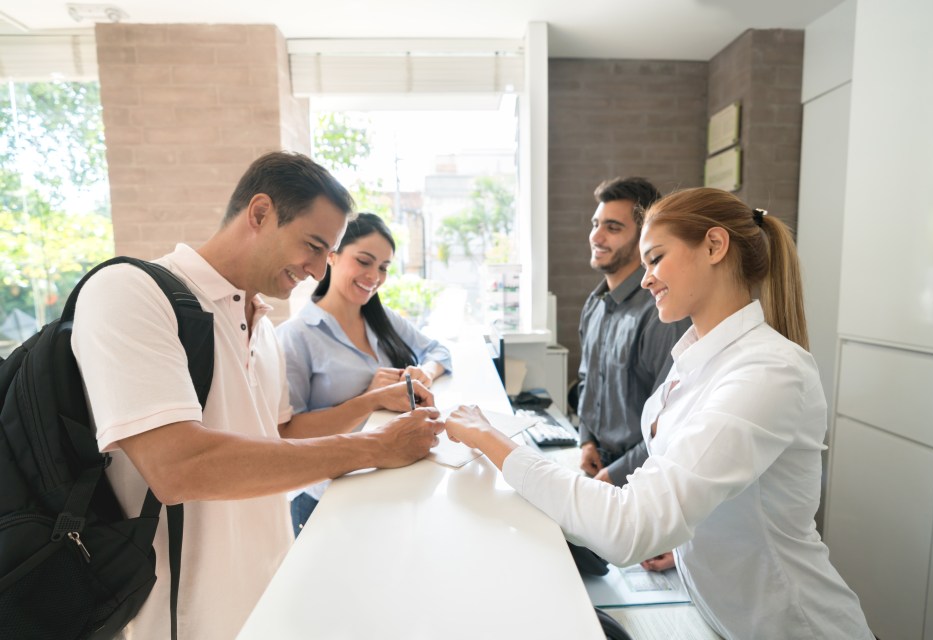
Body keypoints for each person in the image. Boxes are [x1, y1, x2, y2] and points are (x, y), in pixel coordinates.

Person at [445, 188, 874, 640]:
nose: (646, 278)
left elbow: (630, 526)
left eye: (656, 259)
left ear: (714, 246)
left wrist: (490, 439)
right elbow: (701, 479)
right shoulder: (695, 358)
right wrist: (692, 540)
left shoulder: (769, 371)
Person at [71, 151, 445, 640]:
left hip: (268, 600)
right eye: (312, 246)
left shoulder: (264, 327)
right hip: (176, 619)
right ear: (261, 212)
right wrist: (376, 448)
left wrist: (372, 408)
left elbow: (281, 436)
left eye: (326, 253)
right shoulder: (131, 291)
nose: (316, 271)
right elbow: (177, 468)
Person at [277, 212, 452, 535]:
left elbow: (440, 352)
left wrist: (423, 372)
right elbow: (289, 434)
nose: (374, 276)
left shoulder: (380, 318)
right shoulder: (297, 336)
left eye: (383, 267)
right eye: (364, 261)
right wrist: (370, 399)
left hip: (386, 481)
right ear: (332, 256)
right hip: (326, 495)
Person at [578, 177, 689, 487]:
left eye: (613, 228)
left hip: (642, 475)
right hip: (597, 465)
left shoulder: (662, 314)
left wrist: (616, 474)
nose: (596, 236)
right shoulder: (595, 304)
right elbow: (588, 380)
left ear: (645, 238)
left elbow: (669, 418)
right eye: (595, 224)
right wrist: (586, 440)